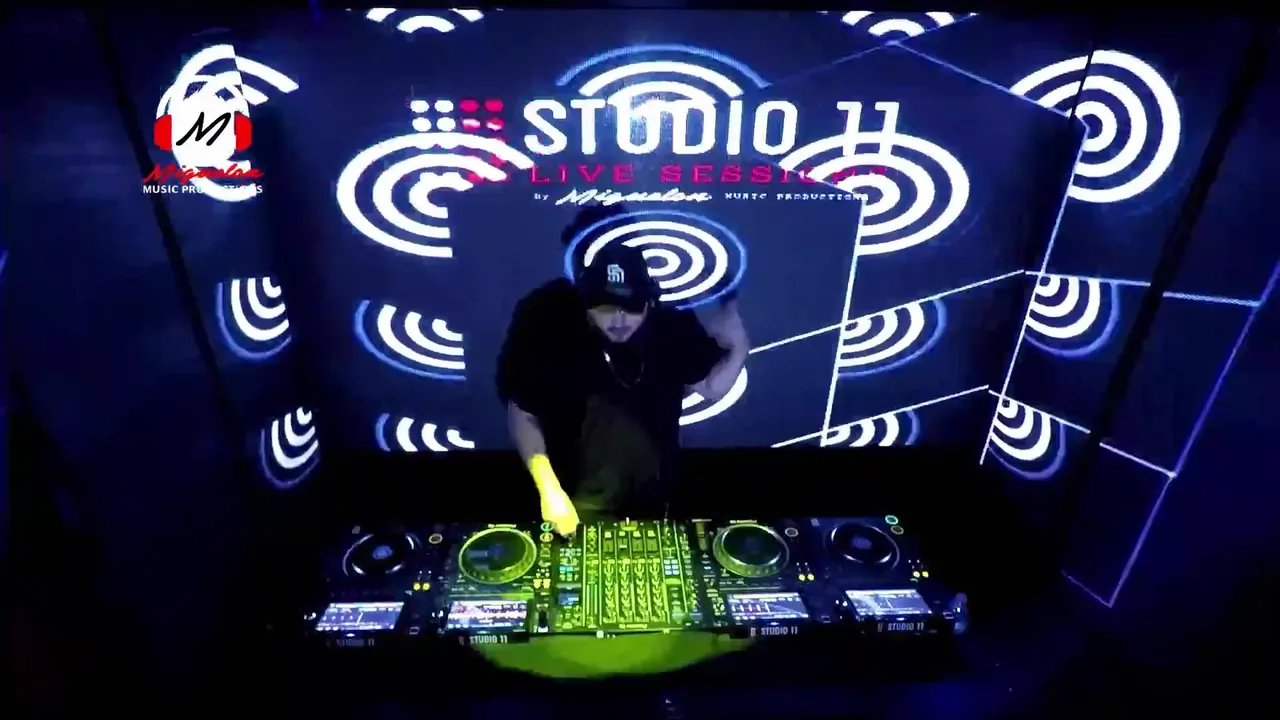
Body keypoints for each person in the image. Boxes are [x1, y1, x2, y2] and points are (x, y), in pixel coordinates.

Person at [496, 205, 749, 536]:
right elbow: (522, 410)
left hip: (654, 500)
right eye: (605, 307)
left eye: (631, 308)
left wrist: (739, 346)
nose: (618, 321)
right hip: (572, 503)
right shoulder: (547, 317)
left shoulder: (671, 323)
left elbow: (711, 387)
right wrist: (549, 490)